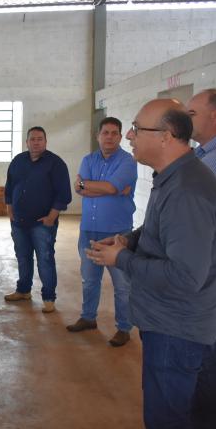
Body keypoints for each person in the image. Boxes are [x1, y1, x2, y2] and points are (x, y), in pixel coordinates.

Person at [87, 99, 216, 429]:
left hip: (176, 331)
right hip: (186, 324)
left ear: (165, 136)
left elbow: (184, 276)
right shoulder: (176, 177)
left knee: (168, 418)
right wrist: (128, 240)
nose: (129, 136)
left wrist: (121, 258)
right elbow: (160, 229)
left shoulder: (186, 191)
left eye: (136, 129)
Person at [66, 117, 137, 347]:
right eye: (105, 132)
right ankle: (88, 318)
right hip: (89, 231)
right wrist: (110, 189)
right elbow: (81, 190)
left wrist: (93, 186)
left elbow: (104, 186)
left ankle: (124, 328)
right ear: (98, 136)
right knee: (89, 280)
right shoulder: (88, 160)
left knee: (122, 285)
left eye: (115, 133)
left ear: (120, 136)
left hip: (118, 234)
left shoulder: (128, 162)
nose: (110, 137)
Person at [187, 88, 216, 428]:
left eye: (192, 113)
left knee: (203, 344)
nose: (186, 120)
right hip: (214, 257)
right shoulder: (206, 153)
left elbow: (182, 192)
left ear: (214, 116)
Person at [3, 126, 72, 313]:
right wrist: (10, 208)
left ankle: (49, 298)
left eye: (40, 139)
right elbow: (9, 187)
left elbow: (64, 194)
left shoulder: (55, 163)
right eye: (32, 139)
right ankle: (23, 290)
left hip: (42, 223)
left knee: (45, 259)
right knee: (23, 257)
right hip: (19, 221)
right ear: (26, 142)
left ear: (46, 142)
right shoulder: (18, 161)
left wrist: (51, 217)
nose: (36, 142)